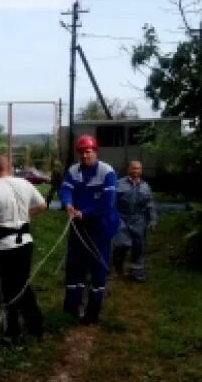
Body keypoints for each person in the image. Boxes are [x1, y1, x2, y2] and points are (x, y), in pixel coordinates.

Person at [0, 154, 47, 344]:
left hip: (4, 247)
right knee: (22, 285)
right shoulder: (24, 183)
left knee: (3, 288)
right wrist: (24, 217)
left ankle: (11, 333)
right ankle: (36, 326)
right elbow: (43, 205)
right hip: (25, 243)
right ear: (10, 167)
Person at [60, 135, 119, 324]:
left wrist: (84, 213)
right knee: (74, 265)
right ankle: (71, 305)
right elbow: (66, 189)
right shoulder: (73, 170)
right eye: (82, 152)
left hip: (100, 228)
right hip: (78, 227)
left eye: (89, 152)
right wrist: (68, 204)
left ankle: (93, 312)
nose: (85, 155)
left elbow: (107, 204)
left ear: (95, 151)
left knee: (97, 268)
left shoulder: (106, 172)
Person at [112, 160, 158, 282]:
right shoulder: (118, 184)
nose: (136, 171)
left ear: (141, 171)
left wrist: (153, 220)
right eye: (133, 168)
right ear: (128, 170)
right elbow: (111, 202)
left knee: (139, 247)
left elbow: (150, 205)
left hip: (138, 219)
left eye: (138, 169)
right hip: (121, 218)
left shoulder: (145, 186)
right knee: (121, 244)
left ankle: (137, 272)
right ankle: (117, 269)